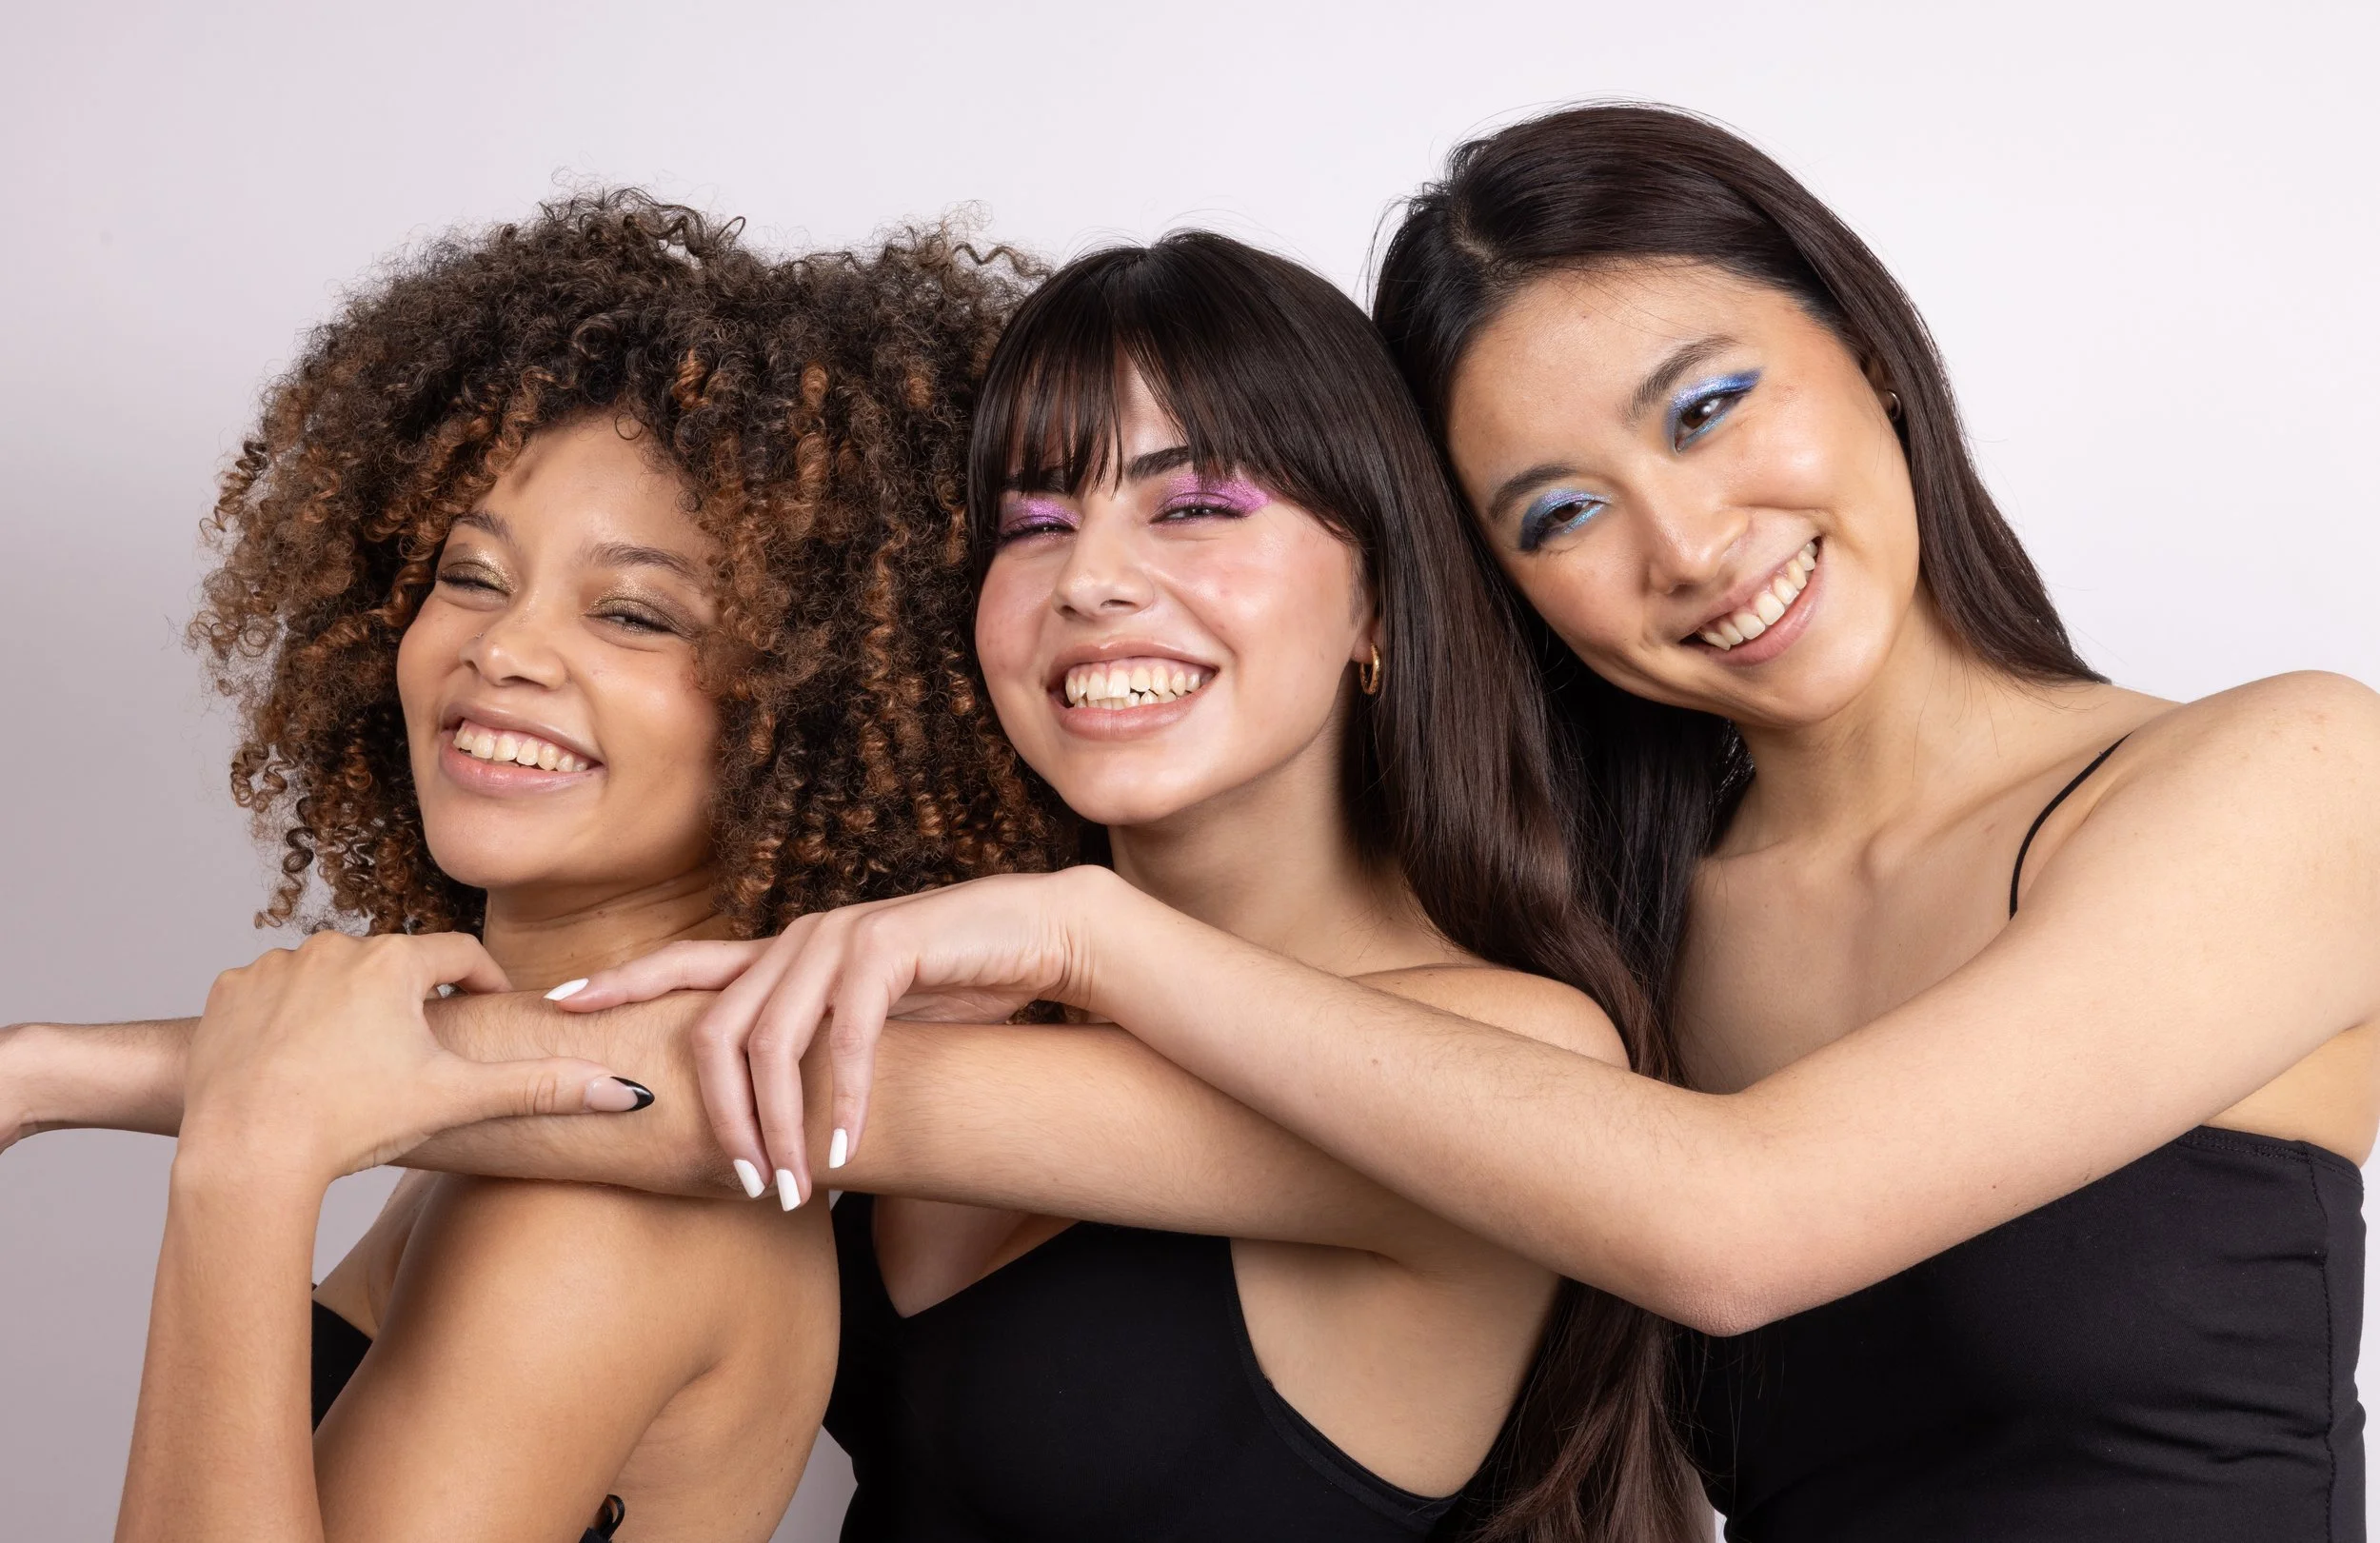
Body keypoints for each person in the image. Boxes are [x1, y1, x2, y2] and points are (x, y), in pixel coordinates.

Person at [562, 107, 2379, 1541]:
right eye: (1560, 509)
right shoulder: (1628, 930)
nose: (1683, 541)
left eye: (1713, 404)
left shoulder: (2279, 779)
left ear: (1869, 353)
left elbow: (1742, 1231)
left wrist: (1084, 933)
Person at [6, 231, 1703, 1540]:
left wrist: (133, 1089)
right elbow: (662, 1081)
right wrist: (74, 1075)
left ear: (1386, 608)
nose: (1097, 579)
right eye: (1032, 523)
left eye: (1197, 509)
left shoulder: (1517, 1057)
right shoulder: (952, 979)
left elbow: (654, 1097)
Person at [102, 193, 1069, 1541]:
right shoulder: (539, 1109)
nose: (503, 649)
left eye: (631, 612)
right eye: (472, 574)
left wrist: (244, 1166)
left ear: (818, 704)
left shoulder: (587, 1214)